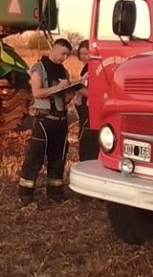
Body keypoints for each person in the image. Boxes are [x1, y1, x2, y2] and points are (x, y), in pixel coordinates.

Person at [17, 38, 75, 207]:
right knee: (34, 159)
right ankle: (26, 197)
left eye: (67, 55)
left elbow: (62, 98)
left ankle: (55, 194)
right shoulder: (39, 68)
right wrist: (58, 88)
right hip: (44, 121)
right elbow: (36, 92)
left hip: (61, 120)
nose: (64, 57)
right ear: (55, 49)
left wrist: (68, 96)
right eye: (63, 53)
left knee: (58, 159)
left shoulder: (64, 72)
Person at [73, 40, 97, 161]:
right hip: (82, 109)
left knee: (87, 139)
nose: (83, 57)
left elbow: (94, 94)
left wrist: (80, 89)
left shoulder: (95, 70)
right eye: (81, 54)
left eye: (86, 53)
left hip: (89, 110)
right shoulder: (85, 69)